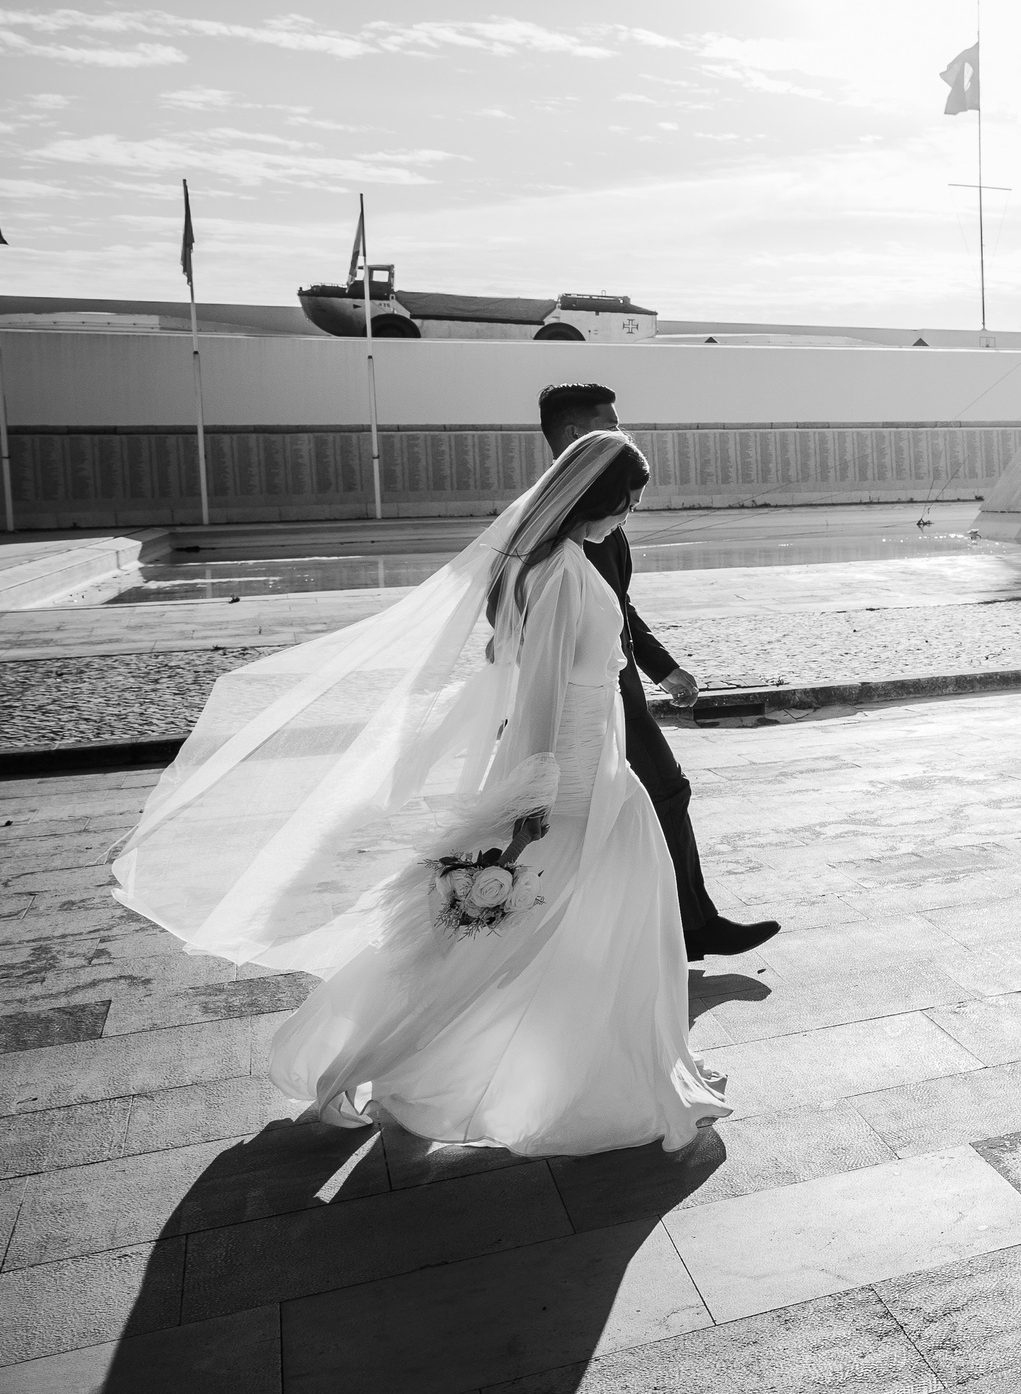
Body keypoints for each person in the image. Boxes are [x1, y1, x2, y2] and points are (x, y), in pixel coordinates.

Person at [113, 431, 731, 1155]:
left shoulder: (548, 565)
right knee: (508, 940)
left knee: (581, 924)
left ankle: (620, 1065)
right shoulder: (560, 572)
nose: (629, 515)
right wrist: (530, 804)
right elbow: (537, 695)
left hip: (594, 769)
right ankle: (391, 1061)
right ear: (598, 497)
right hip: (573, 780)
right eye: (627, 502)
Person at [537, 382, 777, 961]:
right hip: (588, 704)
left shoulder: (597, 516)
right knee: (639, 806)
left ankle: (684, 926)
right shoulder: (563, 525)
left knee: (659, 801)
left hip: (620, 691)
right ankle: (664, 932)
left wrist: (662, 668)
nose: (623, 433)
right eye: (612, 424)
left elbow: (620, 608)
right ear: (576, 434)